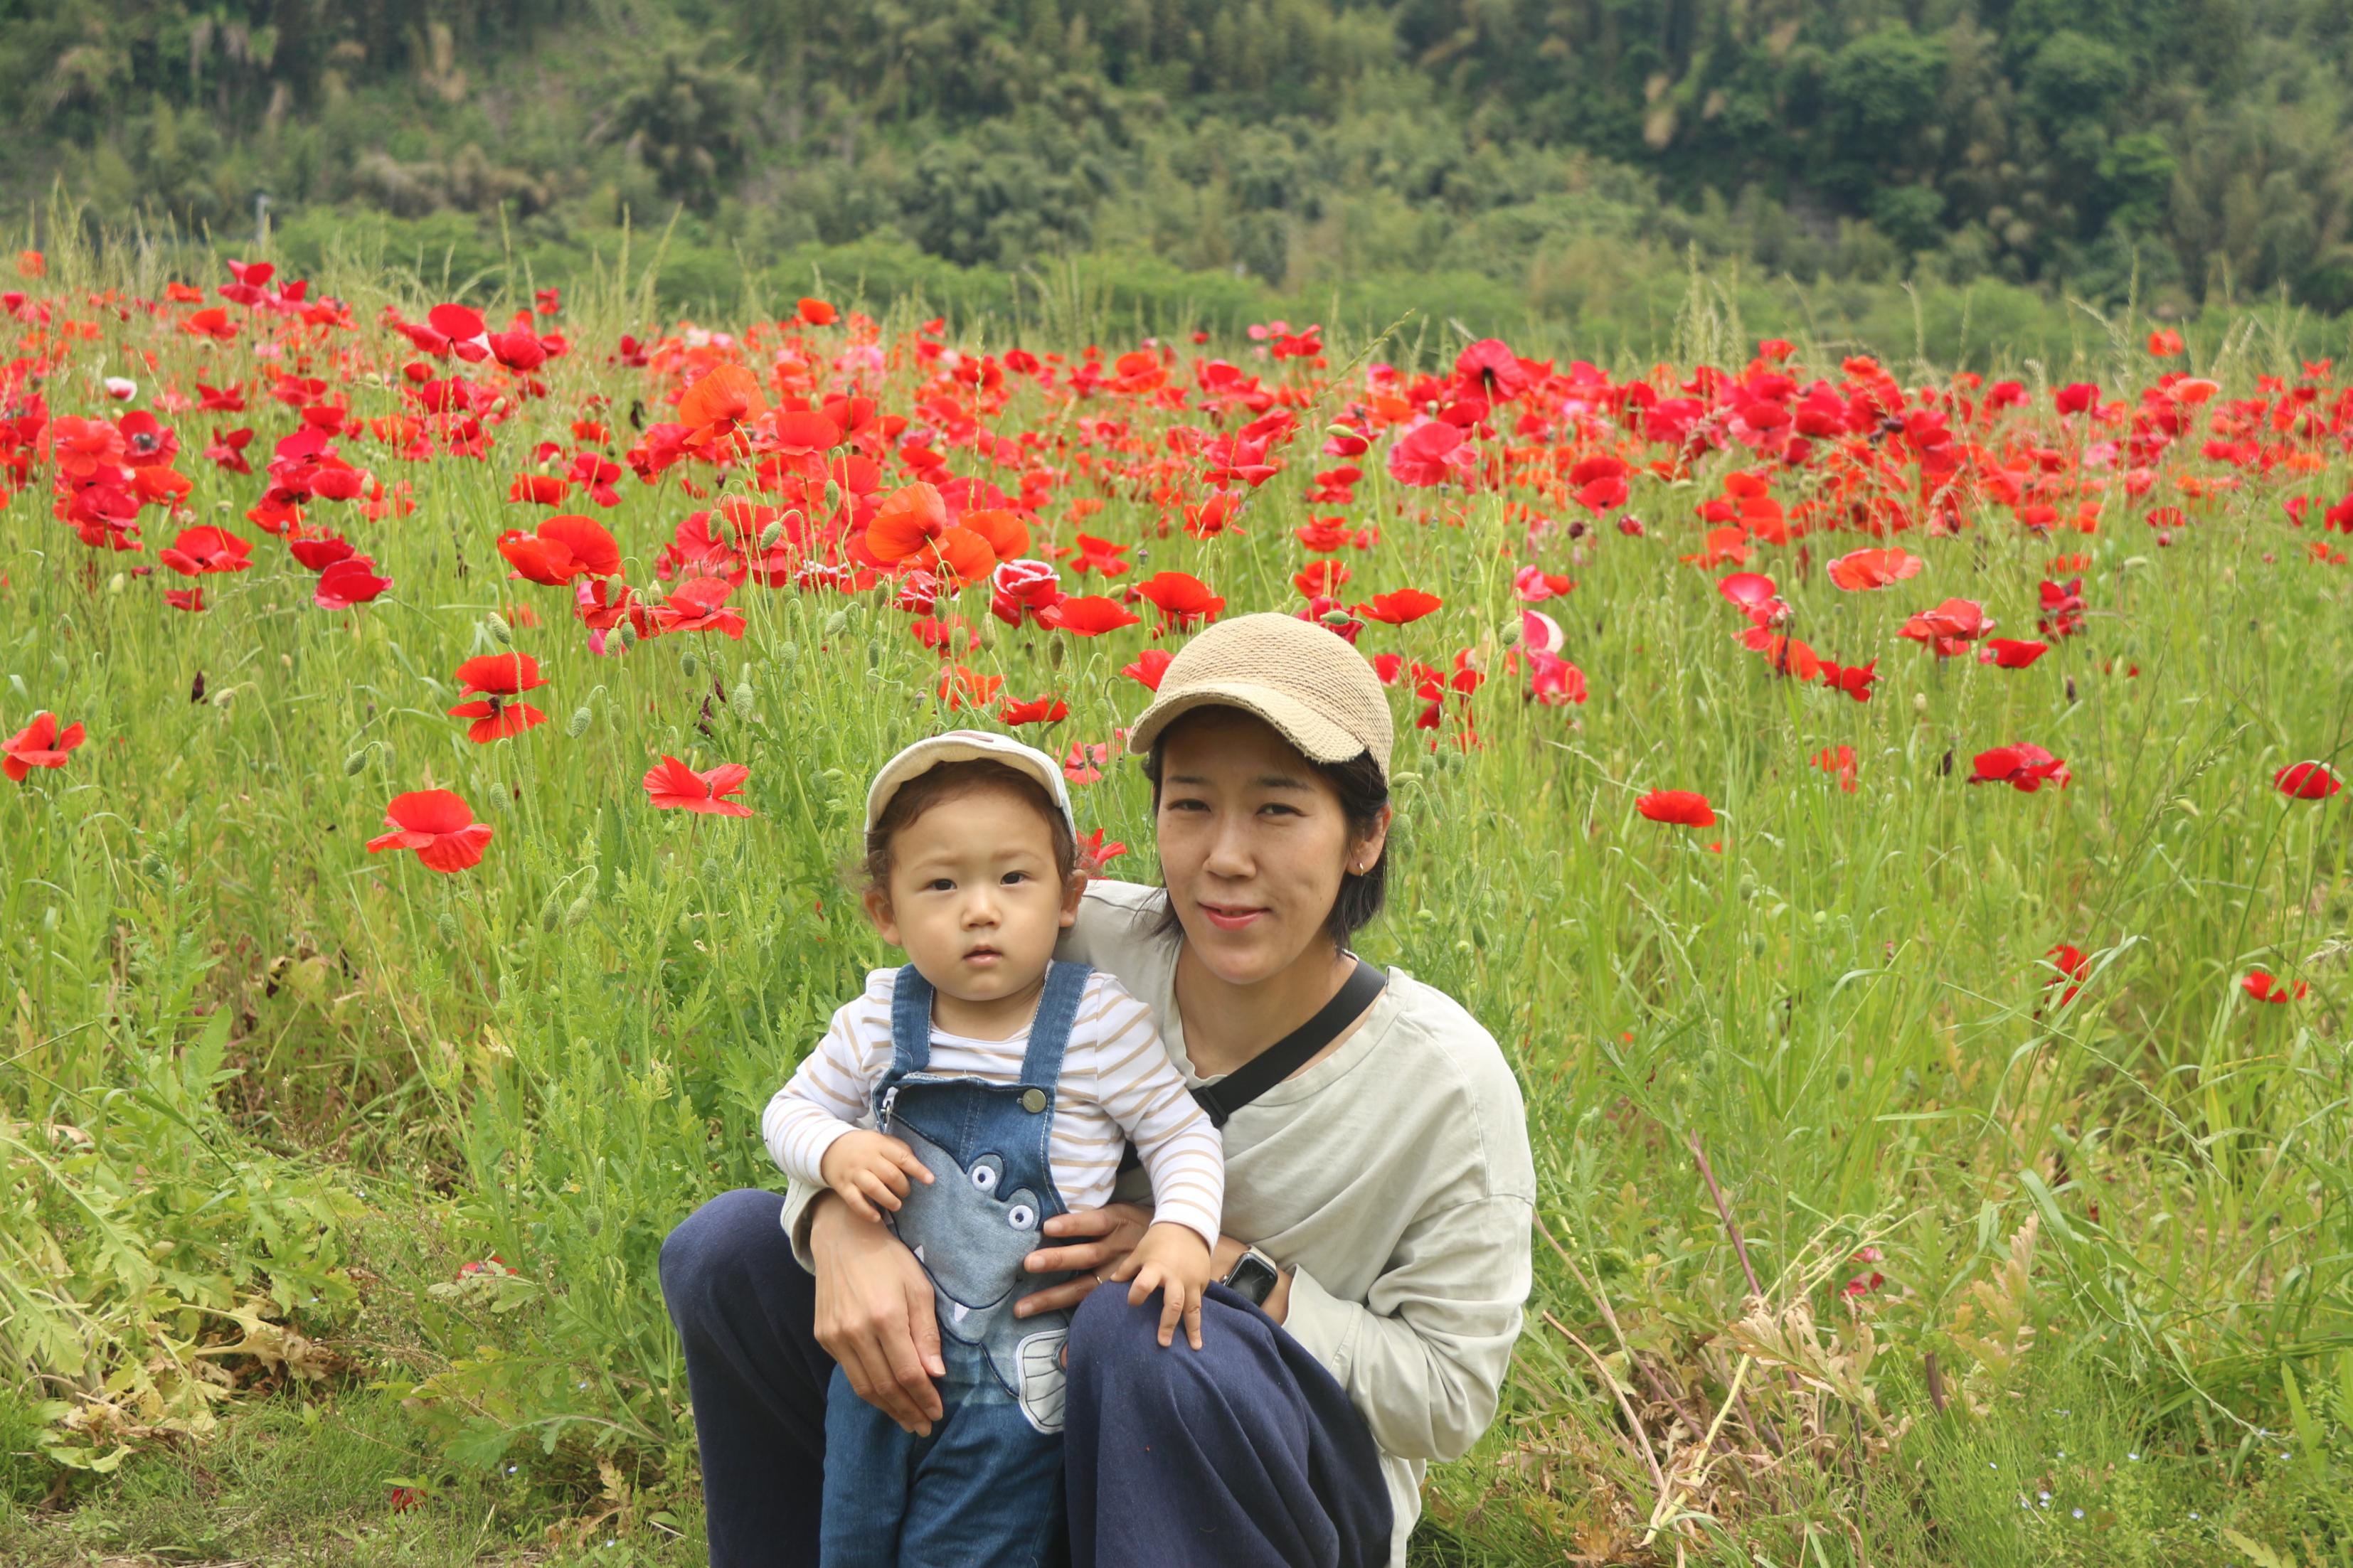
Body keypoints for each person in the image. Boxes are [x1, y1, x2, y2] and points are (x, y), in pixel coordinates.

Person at [661, 612, 1536, 1568]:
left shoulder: (1443, 1083)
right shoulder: (1067, 943)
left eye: (1279, 810)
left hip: (1266, 1482)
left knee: (1141, 1326)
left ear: (1365, 836)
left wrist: (1232, 1269)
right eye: (1191, 805)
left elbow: (1449, 1400)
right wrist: (838, 1222)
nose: (1226, 857)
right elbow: (860, 1097)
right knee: (730, 1252)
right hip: (1004, 1416)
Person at [767, 730, 1223, 1567]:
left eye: (1013, 878)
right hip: (881, 1365)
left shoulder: (1094, 1024)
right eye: (940, 884)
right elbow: (790, 1109)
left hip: (1016, 1381)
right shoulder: (877, 1020)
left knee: (971, 1551)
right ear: (885, 912)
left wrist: (1181, 1231)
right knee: (853, 1537)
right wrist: (832, 1155)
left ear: (1066, 897)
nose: (980, 909)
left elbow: (1179, 1131)